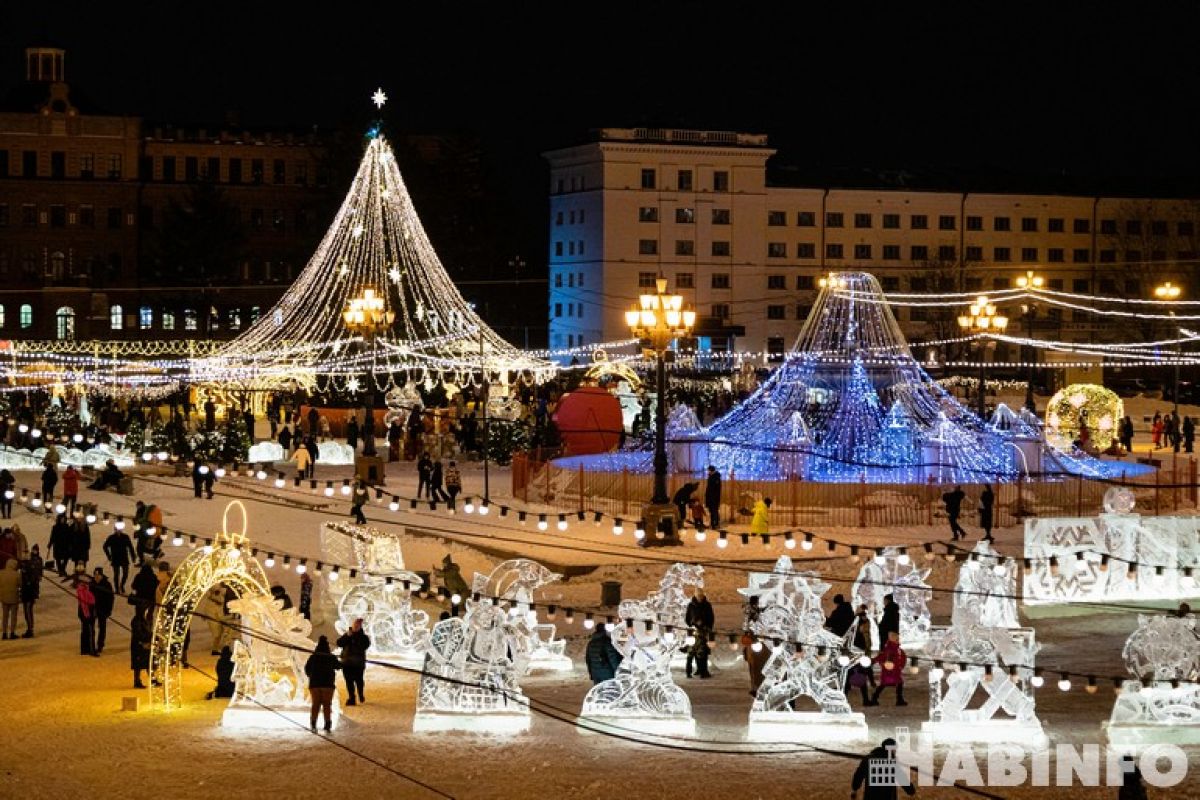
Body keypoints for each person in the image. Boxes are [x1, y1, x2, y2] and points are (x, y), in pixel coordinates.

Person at [305, 635, 342, 732]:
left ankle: (313, 723)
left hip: (315, 684)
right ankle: (327, 723)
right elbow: (338, 666)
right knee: (326, 704)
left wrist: (312, 677)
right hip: (327, 684)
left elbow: (307, 669)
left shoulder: (313, 657)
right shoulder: (330, 657)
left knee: (315, 704)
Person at [337, 617, 371, 706]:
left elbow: (365, 646)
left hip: (358, 663)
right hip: (347, 663)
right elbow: (339, 643)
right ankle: (352, 698)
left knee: (359, 680)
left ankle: (360, 694)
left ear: (360, 627)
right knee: (349, 681)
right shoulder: (347, 635)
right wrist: (347, 636)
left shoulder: (363, 637)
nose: (355, 627)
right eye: (354, 625)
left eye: (357, 625)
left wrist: (355, 638)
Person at [869, 631, 908, 706]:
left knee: (888, 684)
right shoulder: (890, 649)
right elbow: (882, 657)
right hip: (890, 672)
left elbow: (902, 657)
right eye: (897, 639)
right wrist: (873, 661)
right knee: (888, 684)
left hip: (894, 671)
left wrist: (873, 661)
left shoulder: (895, 649)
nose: (898, 640)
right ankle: (898, 700)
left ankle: (875, 697)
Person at [849, 604, 876, 706]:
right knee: (863, 671)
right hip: (860, 650)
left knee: (851, 673)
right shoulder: (861, 623)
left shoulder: (855, 623)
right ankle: (865, 699)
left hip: (856, 650)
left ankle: (864, 698)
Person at [684, 588, 714, 679]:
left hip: (704, 632)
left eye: (701, 596)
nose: (700, 597)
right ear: (695, 596)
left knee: (703, 652)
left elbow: (711, 618)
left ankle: (703, 670)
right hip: (693, 632)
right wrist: (693, 624)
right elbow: (687, 618)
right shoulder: (691, 605)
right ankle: (696, 670)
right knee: (693, 652)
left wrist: (707, 627)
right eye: (698, 596)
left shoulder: (707, 605)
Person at [104, 522, 137, 594]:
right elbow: (105, 546)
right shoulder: (111, 538)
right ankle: (117, 589)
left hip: (124, 558)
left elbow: (130, 547)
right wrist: (109, 556)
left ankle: (122, 585)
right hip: (115, 558)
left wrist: (133, 556)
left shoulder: (125, 537)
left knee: (125, 574)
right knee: (116, 575)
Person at [19, 544, 41, 638]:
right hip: (30, 591)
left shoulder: (28, 566)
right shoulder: (30, 565)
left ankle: (30, 629)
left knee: (27, 610)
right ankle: (30, 628)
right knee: (28, 610)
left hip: (28, 592)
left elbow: (30, 580)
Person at [92, 567, 114, 654]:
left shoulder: (106, 585)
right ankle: (91, 644)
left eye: (98, 575)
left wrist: (108, 610)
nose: (96, 577)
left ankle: (100, 645)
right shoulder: (92, 584)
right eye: (95, 575)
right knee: (91, 627)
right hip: (93, 609)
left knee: (102, 627)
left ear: (101, 575)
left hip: (103, 610)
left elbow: (110, 598)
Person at [130, 607, 152, 688]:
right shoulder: (137, 621)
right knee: (138, 665)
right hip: (138, 645)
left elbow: (147, 631)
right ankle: (137, 681)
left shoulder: (144, 620)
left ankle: (152, 679)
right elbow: (138, 633)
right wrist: (144, 640)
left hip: (144, 644)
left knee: (149, 662)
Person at [76, 573, 97, 656]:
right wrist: (87, 614)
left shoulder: (85, 588)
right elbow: (84, 604)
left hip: (86, 611)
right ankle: (91, 650)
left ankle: (85, 649)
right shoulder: (82, 589)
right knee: (89, 630)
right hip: (86, 611)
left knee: (85, 630)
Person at [0, 559, 19, 639]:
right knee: (13, 616)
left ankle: (4, 633)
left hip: (4, 597)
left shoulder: (1, 573)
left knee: (5, 616)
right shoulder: (17, 574)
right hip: (14, 597)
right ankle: (12, 633)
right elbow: (20, 584)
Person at [705, 465, 722, 529]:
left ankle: (715, 524)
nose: (708, 472)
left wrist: (713, 497)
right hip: (710, 497)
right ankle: (713, 524)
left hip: (713, 498)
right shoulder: (711, 477)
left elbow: (716, 490)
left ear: (711, 470)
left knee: (714, 511)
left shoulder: (715, 478)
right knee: (712, 511)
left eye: (708, 470)